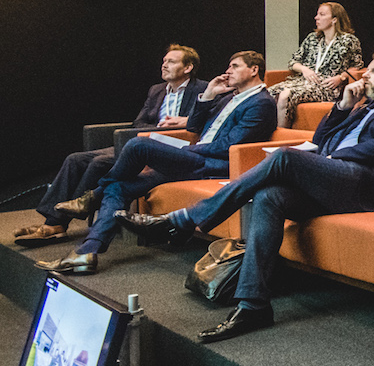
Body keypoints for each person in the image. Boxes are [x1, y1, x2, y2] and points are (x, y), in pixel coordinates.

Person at [123, 51, 374, 343]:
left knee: (285, 157)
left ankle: (184, 220)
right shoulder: (360, 107)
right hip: (341, 181)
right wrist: (342, 107)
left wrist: (332, 160)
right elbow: (319, 139)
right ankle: (253, 305)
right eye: (367, 69)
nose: (366, 75)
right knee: (270, 196)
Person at [37, 51, 276, 275]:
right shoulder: (228, 98)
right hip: (196, 158)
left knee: (139, 145)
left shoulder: (261, 103)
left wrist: (190, 148)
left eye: (234, 66)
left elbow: (230, 146)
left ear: (254, 70)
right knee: (118, 187)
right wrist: (209, 95)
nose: (227, 71)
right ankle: (86, 252)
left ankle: (92, 197)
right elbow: (193, 126)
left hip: (215, 165)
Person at [15, 45, 204, 247]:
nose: (164, 65)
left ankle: (59, 223)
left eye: (171, 62)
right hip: (139, 142)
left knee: (99, 162)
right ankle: (55, 222)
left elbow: (205, 122)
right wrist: (158, 127)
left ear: (188, 68)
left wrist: (182, 121)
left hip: (170, 148)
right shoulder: (156, 90)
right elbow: (138, 123)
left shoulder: (201, 89)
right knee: (75, 159)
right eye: (164, 61)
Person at [268, 1, 364, 128]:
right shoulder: (312, 38)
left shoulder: (349, 40)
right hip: (302, 81)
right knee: (267, 93)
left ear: (334, 19)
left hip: (326, 86)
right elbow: (293, 62)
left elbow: (357, 66)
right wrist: (304, 69)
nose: (316, 18)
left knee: (286, 95)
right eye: (317, 14)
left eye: (322, 15)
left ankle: (282, 134)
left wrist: (341, 78)